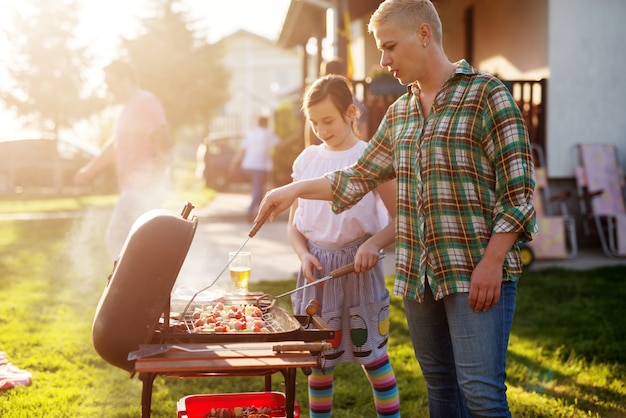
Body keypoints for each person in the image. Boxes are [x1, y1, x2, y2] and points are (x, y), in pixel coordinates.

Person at [256, 1, 537, 417]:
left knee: (480, 393)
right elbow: (356, 177)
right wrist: (292, 190)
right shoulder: (400, 112)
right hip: (418, 274)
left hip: (474, 270)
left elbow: (519, 192)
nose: (383, 60)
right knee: (440, 385)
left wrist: (493, 261)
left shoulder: (486, 94)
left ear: (424, 35)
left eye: (389, 47)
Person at [289, 74, 400, 418]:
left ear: (351, 112)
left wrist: (374, 244)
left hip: (359, 267)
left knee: (374, 359)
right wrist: (304, 254)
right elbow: (295, 223)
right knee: (320, 362)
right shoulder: (307, 160)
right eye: (314, 122)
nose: (321, 129)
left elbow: (402, 219)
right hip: (317, 273)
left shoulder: (370, 158)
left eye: (328, 120)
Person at [75, 60, 172, 260]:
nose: (108, 89)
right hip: (132, 187)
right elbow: (115, 145)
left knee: (116, 237)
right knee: (140, 243)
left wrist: (156, 180)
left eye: (111, 83)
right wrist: (90, 170)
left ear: (126, 79)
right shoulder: (128, 108)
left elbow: (164, 139)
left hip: (141, 187)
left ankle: (129, 287)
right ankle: (145, 286)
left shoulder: (145, 102)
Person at [230, 115, 280, 222]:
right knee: (258, 189)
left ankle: (261, 212)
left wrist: (234, 163)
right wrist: (296, 137)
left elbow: (242, 150)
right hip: (259, 165)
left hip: (248, 165)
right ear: (266, 123)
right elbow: (280, 145)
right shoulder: (267, 133)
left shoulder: (251, 134)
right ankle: (250, 210)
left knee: (257, 188)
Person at [320, 58, 369, 140]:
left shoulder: (320, 101)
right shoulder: (357, 103)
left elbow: (310, 134)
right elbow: (364, 132)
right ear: (344, 74)